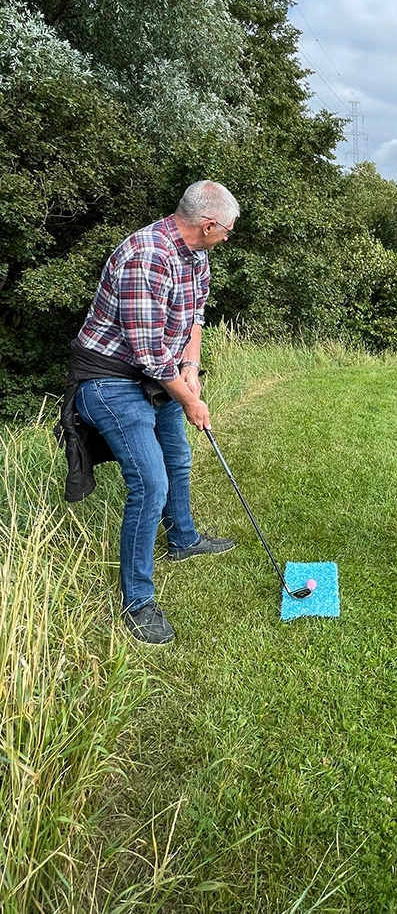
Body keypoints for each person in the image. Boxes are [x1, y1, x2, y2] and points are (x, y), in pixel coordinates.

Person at [63, 181, 240, 646]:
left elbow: (196, 316)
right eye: (228, 231)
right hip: (110, 379)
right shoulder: (147, 256)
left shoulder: (196, 254)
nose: (228, 238)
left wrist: (192, 369)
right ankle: (137, 601)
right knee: (150, 481)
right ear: (208, 224)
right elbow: (147, 354)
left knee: (177, 457)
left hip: (157, 371)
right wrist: (189, 398)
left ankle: (183, 539)